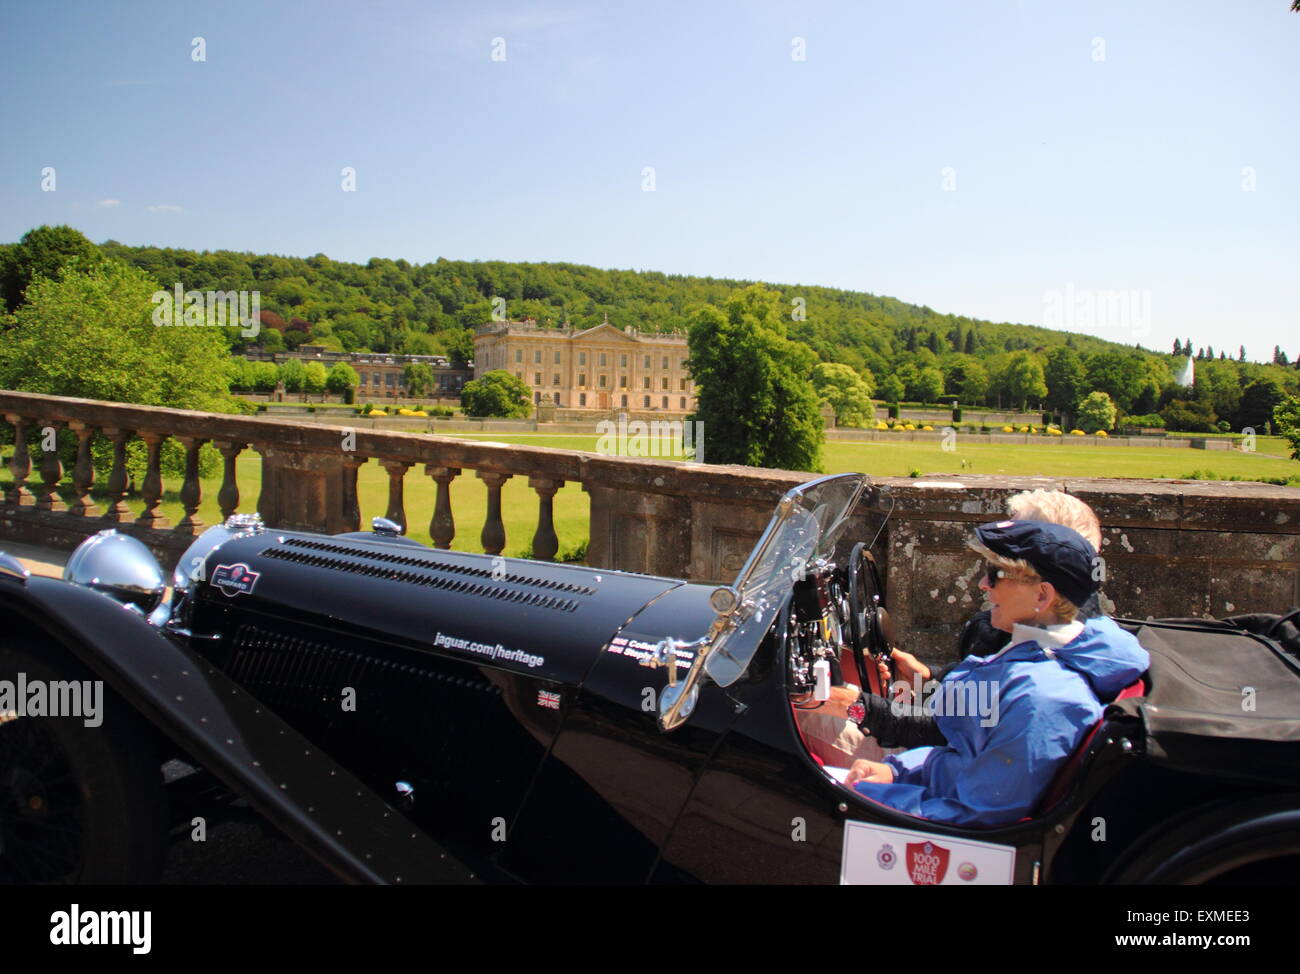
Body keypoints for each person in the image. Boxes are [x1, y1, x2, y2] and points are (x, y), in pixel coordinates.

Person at [843, 519, 1148, 827]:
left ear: (1042, 596)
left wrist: (868, 797)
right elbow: (967, 755)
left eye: (995, 575)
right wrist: (897, 771)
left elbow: (977, 815)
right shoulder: (1034, 650)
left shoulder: (1043, 698)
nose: (983, 585)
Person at [795, 490, 1108, 762]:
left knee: (799, 711)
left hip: (933, 762)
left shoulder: (1041, 659)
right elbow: (973, 698)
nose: (985, 582)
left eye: (1006, 562)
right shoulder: (1051, 628)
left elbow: (948, 731)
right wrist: (928, 677)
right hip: (941, 750)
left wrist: (858, 707)